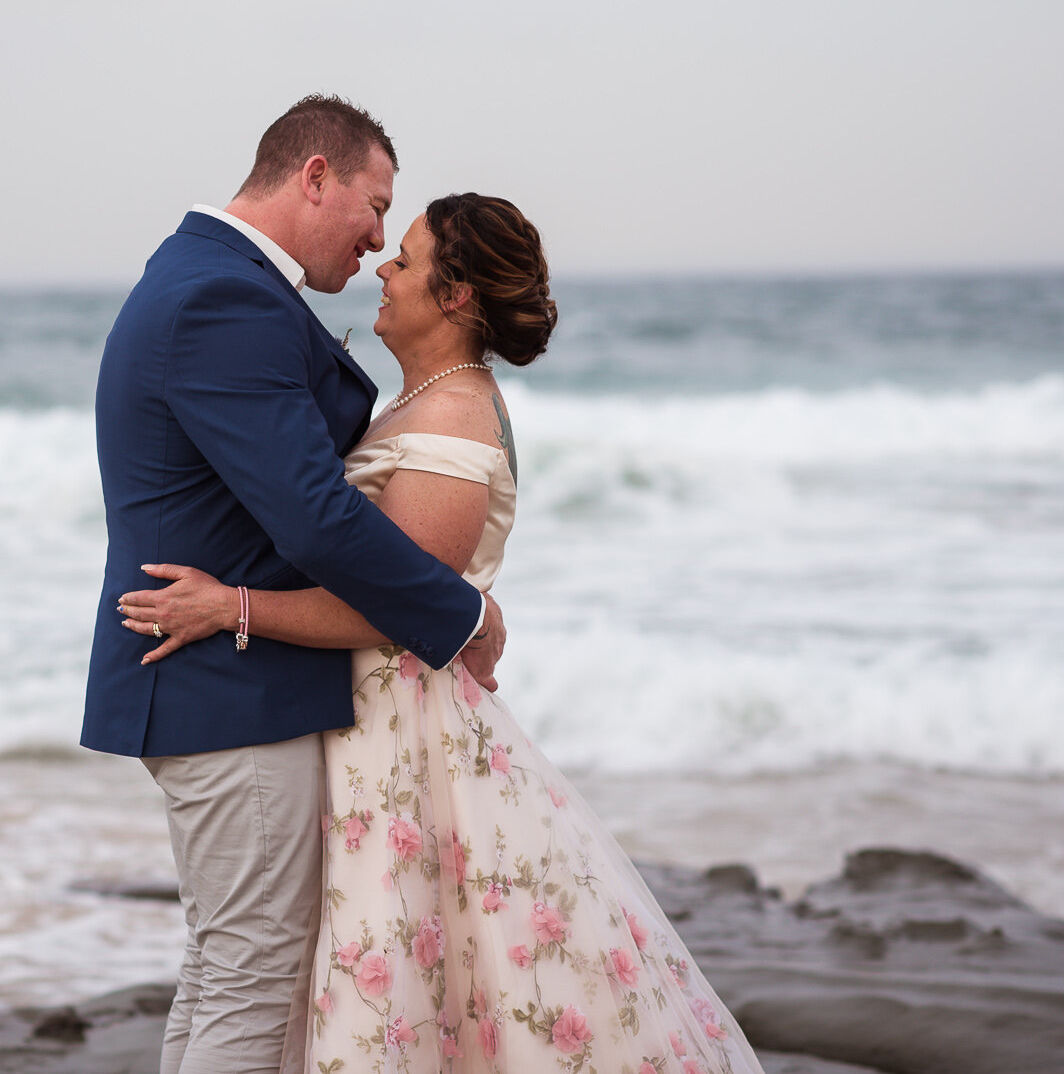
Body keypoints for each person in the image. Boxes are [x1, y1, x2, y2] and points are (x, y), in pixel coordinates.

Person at [119, 194, 766, 1073]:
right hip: (362, 728)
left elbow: (391, 608)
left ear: (455, 295)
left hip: (403, 743)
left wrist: (234, 608)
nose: (384, 266)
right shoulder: (419, 402)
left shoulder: (457, 415)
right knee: (259, 969)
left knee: (396, 987)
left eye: (408, 257)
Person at [81, 96, 508, 1074]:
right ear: (314, 176)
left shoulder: (205, 276)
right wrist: (461, 614)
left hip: (211, 682)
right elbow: (313, 516)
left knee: (224, 966)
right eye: (374, 205)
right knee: (251, 976)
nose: (376, 240)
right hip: (227, 692)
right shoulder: (223, 298)